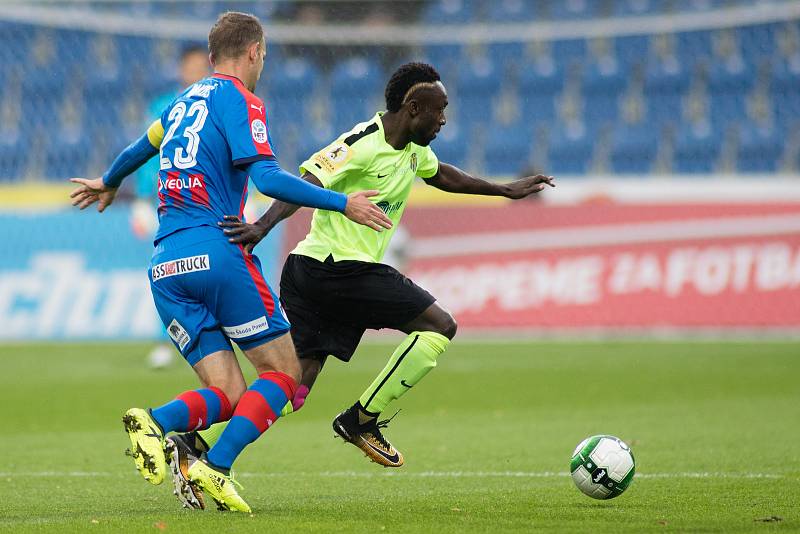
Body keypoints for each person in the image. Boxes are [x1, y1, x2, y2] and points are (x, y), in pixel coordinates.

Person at [167, 62, 553, 504]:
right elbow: (306, 181)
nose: (445, 119)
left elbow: (441, 174)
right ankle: (361, 420)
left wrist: (503, 191)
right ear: (413, 107)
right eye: (439, 110)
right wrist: (261, 226)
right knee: (439, 326)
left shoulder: (411, 147)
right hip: (332, 268)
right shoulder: (361, 143)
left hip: (320, 276)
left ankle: (198, 447)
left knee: (291, 386)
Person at [69, 11, 392, 513]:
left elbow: (141, 147)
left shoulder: (180, 103)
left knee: (227, 391)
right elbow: (266, 178)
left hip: (164, 264)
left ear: (212, 53)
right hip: (216, 251)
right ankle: (214, 469)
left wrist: (109, 180)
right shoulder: (241, 100)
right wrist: (341, 202)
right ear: (254, 52)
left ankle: (155, 420)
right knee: (284, 374)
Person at [132, 44, 211, 370]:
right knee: (166, 273)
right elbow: (146, 156)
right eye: (189, 66)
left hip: (208, 202)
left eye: (199, 66)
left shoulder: (215, 104)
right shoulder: (163, 106)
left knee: (207, 273)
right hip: (168, 204)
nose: (193, 72)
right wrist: (140, 200)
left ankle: (213, 339)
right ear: (181, 69)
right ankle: (167, 339)